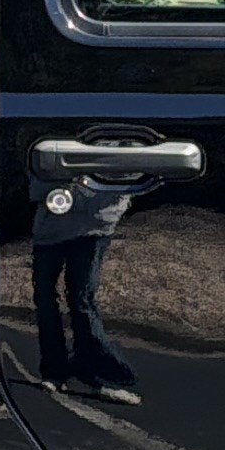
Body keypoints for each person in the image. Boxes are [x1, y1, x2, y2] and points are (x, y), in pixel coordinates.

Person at [30, 167, 144, 403]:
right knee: (45, 296)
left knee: (82, 298)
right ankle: (55, 370)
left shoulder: (119, 137)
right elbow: (38, 169)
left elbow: (128, 173)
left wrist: (101, 201)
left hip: (95, 222)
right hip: (52, 224)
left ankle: (96, 373)